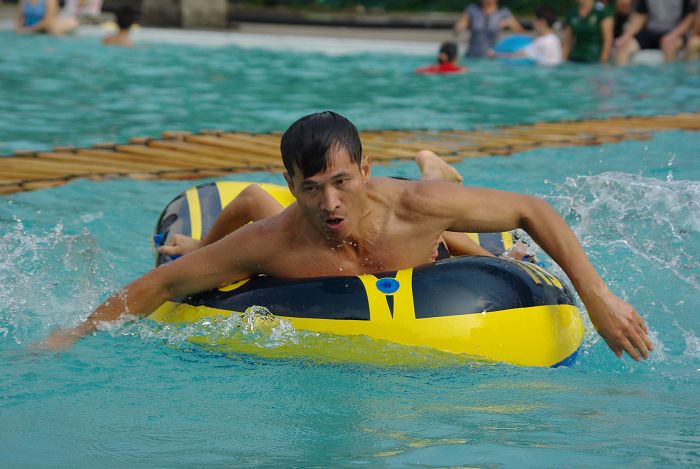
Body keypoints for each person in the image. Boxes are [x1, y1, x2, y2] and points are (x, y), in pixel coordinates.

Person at [40, 111, 653, 362]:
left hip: (420, 229)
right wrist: (73, 333)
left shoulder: (410, 206)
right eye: (310, 188)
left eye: (341, 182)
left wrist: (598, 297)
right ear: (290, 184)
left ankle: (436, 168)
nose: (329, 204)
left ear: (365, 170)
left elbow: (531, 209)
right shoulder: (273, 238)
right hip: (363, 242)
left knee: (444, 231)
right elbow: (161, 284)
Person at [158, 151, 496, 262]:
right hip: (350, 218)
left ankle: (433, 169)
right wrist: (204, 247)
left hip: (391, 199)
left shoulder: (419, 230)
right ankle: (432, 171)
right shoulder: (300, 232)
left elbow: (446, 232)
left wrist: (499, 262)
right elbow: (251, 197)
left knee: (430, 202)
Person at [615, 0, 696, 64]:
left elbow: (690, 18)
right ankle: (623, 77)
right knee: (624, 46)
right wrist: (625, 36)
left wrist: (672, 35)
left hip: (674, 33)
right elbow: (640, 17)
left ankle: (669, 78)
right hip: (650, 32)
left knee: (669, 45)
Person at [487, 6, 562, 66]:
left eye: (535, 20)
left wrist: (495, 55)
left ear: (542, 22)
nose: (533, 23)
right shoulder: (555, 40)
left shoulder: (541, 42)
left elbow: (516, 55)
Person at [453, 0, 524, 58]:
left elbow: (520, 32)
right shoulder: (472, 9)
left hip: (492, 57)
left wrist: (507, 24)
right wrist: (462, 25)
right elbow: (456, 30)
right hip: (472, 55)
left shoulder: (503, 12)